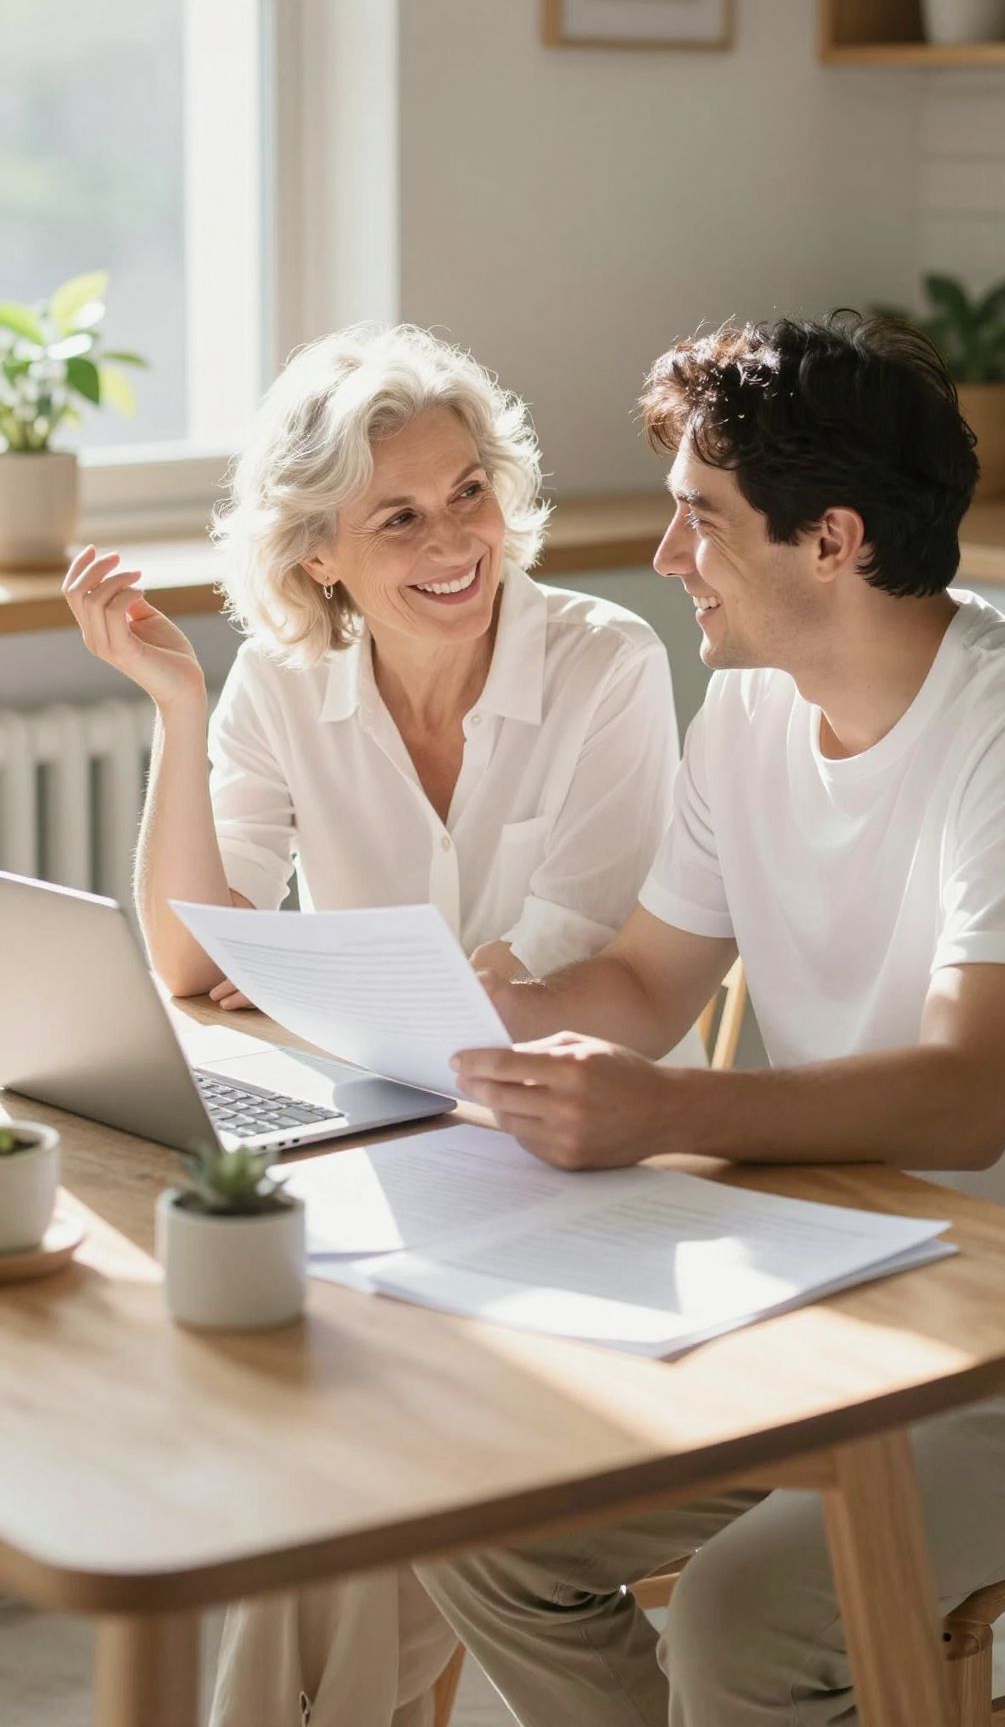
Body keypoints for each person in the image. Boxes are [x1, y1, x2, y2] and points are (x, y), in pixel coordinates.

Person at [419, 313, 1005, 1727]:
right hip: (843, 1281)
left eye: (700, 519)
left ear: (833, 538)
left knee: (749, 1616)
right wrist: (469, 1007)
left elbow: (967, 1096)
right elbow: (643, 984)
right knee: (487, 1526)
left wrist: (668, 1111)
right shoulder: (749, 712)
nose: (664, 556)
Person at [62, 321, 684, 1727]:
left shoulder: (607, 664)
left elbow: (566, 974)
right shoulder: (283, 685)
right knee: (327, 1450)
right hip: (404, 1152)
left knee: (345, 1460)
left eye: (471, 489)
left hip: (585, 1158)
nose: (456, 536)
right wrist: (176, 705)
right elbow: (183, 954)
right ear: (316, 558)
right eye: (397, 515)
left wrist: (321, 992)